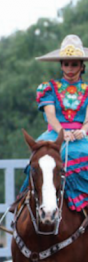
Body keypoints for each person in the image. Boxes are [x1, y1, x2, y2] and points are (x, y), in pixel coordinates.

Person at [33, 35, 88, 211]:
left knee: (83, 152)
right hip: (54, 134)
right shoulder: (48, 88)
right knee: (37, 159)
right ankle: (23, 204)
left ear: (81, 66)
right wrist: (62, 133)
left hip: (81, 136)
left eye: (74, 64)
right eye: (66, 64)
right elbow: (51, 116)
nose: (70, 68)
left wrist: (84, 131)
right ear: (61, 65)